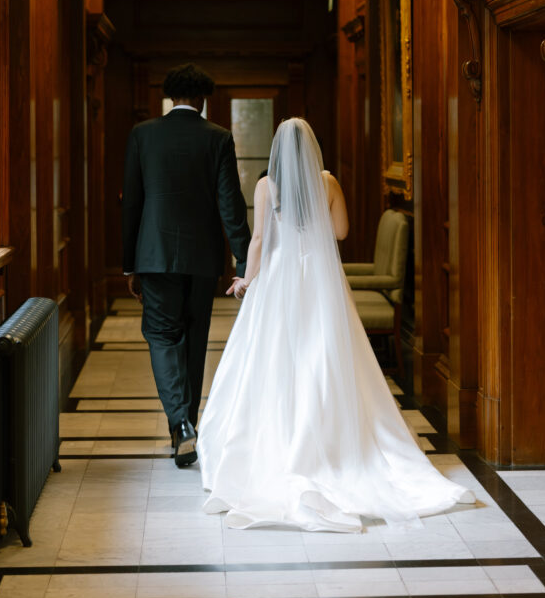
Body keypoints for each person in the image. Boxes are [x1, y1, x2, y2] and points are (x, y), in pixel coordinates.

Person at [198, 117, 473, 531]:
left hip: (278, 280)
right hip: (320, 282)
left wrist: (247, 279)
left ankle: (275, 443)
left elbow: (258, 241)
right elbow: (341, 233)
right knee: (324, 356)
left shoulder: (266, 185)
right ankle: (332, 440)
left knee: (271, 359)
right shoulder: (327, 183)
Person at [122, 63, 250, 468]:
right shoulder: (218, 138)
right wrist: (245, 261)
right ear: (202, 100)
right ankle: (186, 426)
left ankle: (180, 427)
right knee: (195, 341)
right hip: (202, 259)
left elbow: (133, 204)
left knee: (162, 337)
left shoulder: (143, 134)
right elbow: (231, 205)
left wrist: (130, 265)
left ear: (170, 97)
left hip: (154, 255)